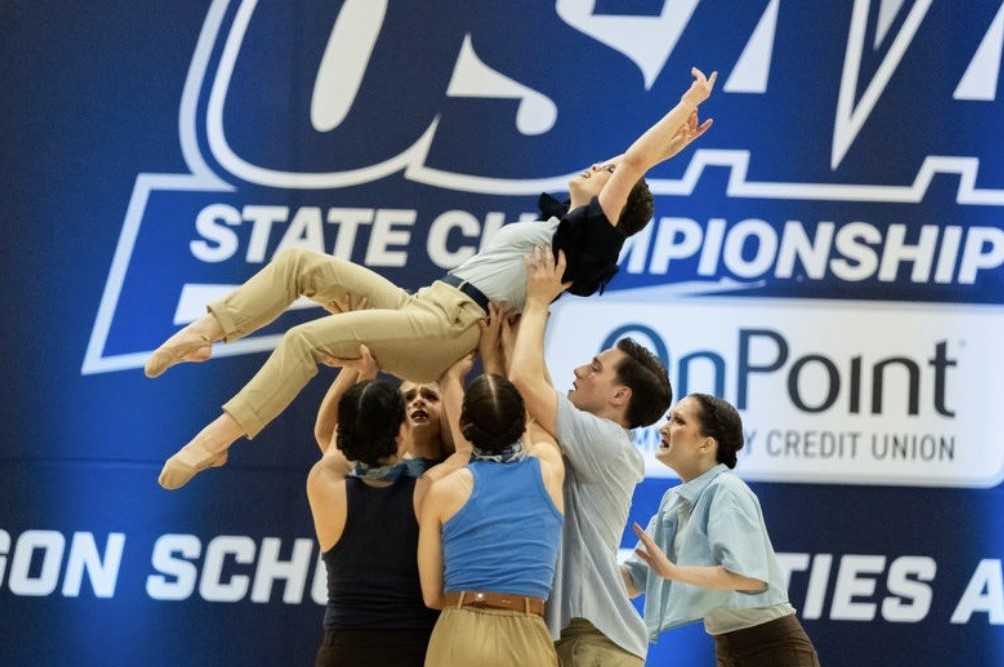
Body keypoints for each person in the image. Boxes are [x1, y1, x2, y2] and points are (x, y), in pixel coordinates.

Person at [145, 68, 717, 490]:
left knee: (303, 340)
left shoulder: (584, 243)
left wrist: (684, 104)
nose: (600, 166)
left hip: (449, 327)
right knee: (301, 264)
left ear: (614, 210)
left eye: (609, 174)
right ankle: (206, 331)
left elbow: (632, 167)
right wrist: (675, 143)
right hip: (428, 303)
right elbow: (632, 164)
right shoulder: (562, 224)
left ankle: (212, 443)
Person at [508, 245, 674, 667]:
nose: (580, 370)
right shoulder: (597, 437)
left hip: (593, 641)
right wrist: (511, 333)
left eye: (595, 368)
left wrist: (540, 302)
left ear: (619, 395)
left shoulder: (603, 440)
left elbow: (525, 381)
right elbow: (530, 387)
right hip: (584, 637)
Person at [623, 394, 824, 667]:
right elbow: (634, 578)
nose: (665, 426)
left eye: (678, 420)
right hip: (730, 666)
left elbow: (747, 577)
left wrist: (673, 571)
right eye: (668, 418)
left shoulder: (727, 490)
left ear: (706, 444)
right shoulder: (673, 501)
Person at [305, 349, 472, 667]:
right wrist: (451, 376)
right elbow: (467, 453)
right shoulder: (427, 488)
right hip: (411, 654)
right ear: (402, 435)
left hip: (345, 654)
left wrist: (361, 371)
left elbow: (336, 438)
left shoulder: (323, 484)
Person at [416, 374, 565, 667]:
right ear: (522, 420)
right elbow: (545, 411)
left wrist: (450, 374)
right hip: (529, 635)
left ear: (465, 426)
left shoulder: (442, 491)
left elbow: (432, 595)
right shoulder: (550, 470)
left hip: (462, 630)